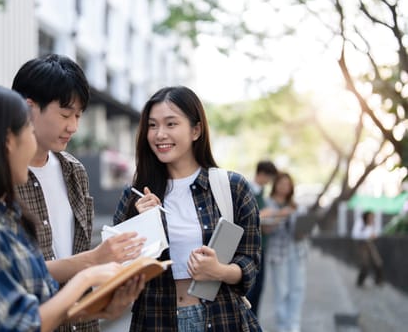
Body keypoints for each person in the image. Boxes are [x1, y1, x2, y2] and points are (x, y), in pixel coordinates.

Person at [0, 85, 144, 331]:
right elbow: (25, 325)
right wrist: (88, 276)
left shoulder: (7, 215)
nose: (35, 146)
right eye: (30, 132)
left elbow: (36, 308)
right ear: (9, 141)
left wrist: (103, 309)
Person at [12, 54, 144, 331]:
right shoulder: (0, 176)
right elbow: (16, 271)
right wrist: (93, 261)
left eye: (78, 115)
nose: (73, 126)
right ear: (29, 109)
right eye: (65, 114)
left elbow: (78, 251)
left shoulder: (75, 171)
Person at [113, 86, 261, 331]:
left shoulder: (232, 188)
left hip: (221, 318)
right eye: (152, 125)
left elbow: (250, 263)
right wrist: (142, 223)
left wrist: (219, 270)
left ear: (196, 130)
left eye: (171, 124)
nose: (160, 134)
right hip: (155, 321)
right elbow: (119, 268)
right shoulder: (135, 195)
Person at [264, 172, 307, 332]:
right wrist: (279, 215)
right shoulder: (268, 203)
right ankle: (282, 326)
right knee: (281, 291)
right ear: (275, 184)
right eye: (282, 183)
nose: (284, 187)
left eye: (288, 184)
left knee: (297, 289)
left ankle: (294, 325)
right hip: (277, 253)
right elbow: (265, 228)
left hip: (297, 250)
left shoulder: (295, 206)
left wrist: (303, 229)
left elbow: (301, 229)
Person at [246, 160, 277, 316]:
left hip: (262, 246)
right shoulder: (247, 190)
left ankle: (254, 323)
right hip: (250, 248)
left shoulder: (261, 193)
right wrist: (264, 214)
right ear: (263, 174)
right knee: (250, 291)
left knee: (259, 288)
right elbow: (246, 217)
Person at [352, 210, 384, 287]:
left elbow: (377, 232)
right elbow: (355, 234)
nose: (371, 218)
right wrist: (367, 234)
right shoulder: (360, 222)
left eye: (372, 217)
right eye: (370, 217)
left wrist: (373, 234)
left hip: (370, 243)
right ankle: (360, 282)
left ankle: (378, 281)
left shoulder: (373, 223)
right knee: (365, 264)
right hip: (362, 244)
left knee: (378, 262)